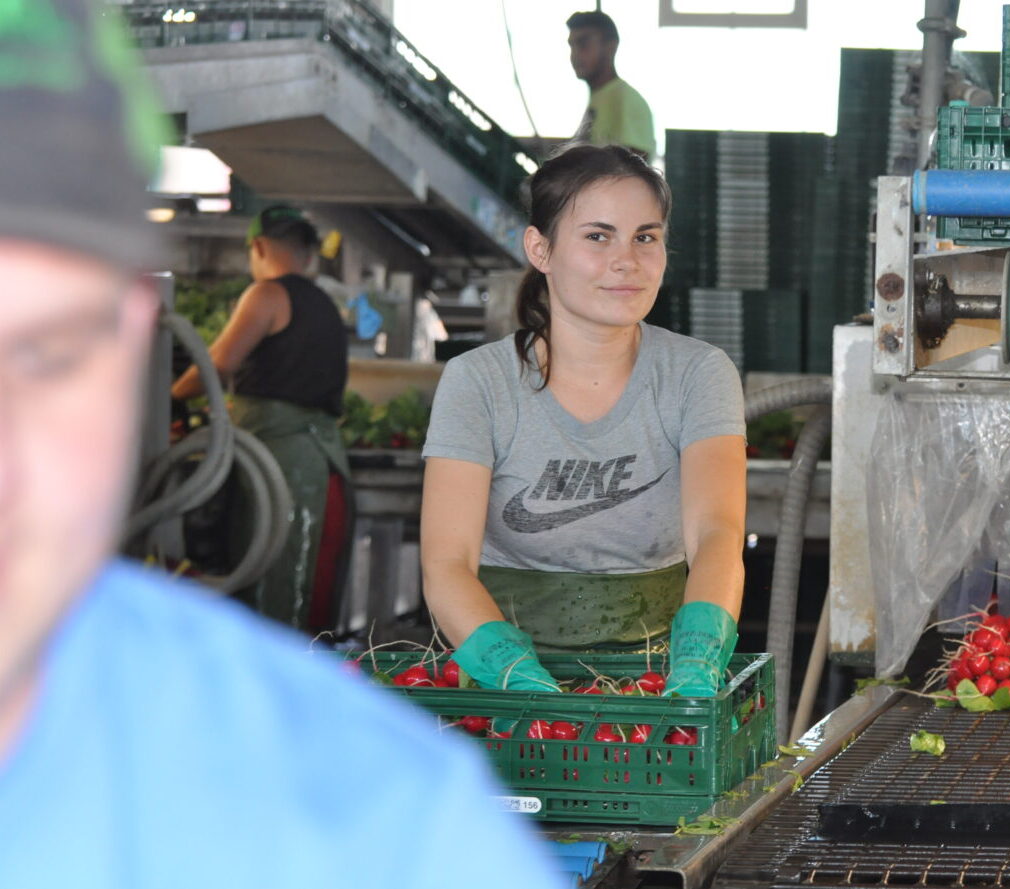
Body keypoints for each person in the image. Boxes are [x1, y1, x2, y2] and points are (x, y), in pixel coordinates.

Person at [0, 3, 563, 886]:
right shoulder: (328, 303)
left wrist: (180, 405)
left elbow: (210, 371)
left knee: (281, 597)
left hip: (288, 457)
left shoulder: (382, 825)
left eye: (49, 354)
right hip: (314, 457)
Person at [420, 144, 746, 697]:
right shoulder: (479, 382)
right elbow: (446, 564)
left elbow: (717, 535)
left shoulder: (698, 374)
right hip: (495, 683)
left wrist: (695, 661)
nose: (627, 260)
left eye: (646, 236)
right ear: (540, 249)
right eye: (598, 236)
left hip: (653, 684)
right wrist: (514, 676)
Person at [172, 205, 350, 631]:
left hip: (282, 467)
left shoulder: (267, 294)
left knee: (273, 596)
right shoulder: (324, 302)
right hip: (321, 465)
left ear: (257, 246)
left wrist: (168, 396)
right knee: (303, 602)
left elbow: (217, 365)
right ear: (308, 252)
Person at [566, 10, 656, 160]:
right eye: (571, 46)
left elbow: (635, 167)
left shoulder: (626, 100)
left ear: (611, 46)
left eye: (583, 44)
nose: (574, 55)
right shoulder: (599, 97)